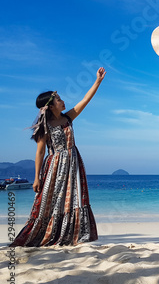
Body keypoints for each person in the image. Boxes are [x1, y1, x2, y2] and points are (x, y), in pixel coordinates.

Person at [10, 67, 106, 247]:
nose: (63, 102)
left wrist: (98, 82)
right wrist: (36, 178)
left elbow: (85, 100)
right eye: (59, 100)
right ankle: (49, 233)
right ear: (50, 106)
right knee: (51, 201)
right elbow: (39, 152)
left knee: (74, 197)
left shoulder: (68, 118)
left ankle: (74, 233)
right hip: (54, 166)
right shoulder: (44, 126)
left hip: (73, 162)